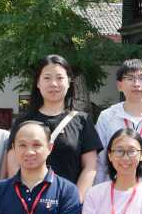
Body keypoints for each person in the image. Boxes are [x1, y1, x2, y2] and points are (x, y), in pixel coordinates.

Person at [8, 55, 102, 199]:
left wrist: (75, 201)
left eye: (59, 78)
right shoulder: (23, 121)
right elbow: (14, 164)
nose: (53, 84)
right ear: (38, 83)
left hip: (68, 203)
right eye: (47, 78)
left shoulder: (82, 121)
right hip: (28, 202)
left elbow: (90, 167)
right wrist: (24, 200)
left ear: (69, 82)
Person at [94, 59, 142, 191]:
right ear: (119, 85)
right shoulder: (107, 118)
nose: (136, 84)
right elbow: (100, 161)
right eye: (130, 78)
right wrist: (98, 193)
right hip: (113, 194)